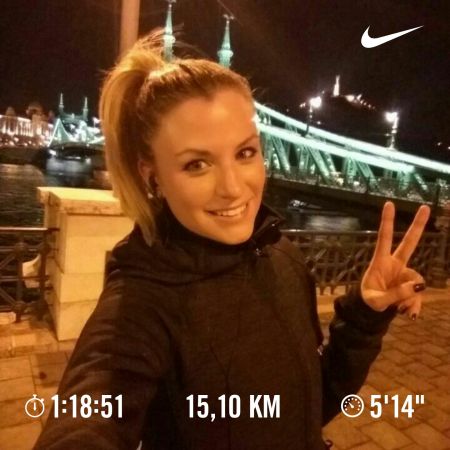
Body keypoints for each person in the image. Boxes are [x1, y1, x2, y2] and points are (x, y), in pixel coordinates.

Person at [34, 31, 430, 450]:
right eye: (196, 164)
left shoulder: (283, 257)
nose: (233, 188)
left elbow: (311, 406)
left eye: (245, 153)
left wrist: (365, 316)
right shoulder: (139, 306)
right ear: (153, 177)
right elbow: (89, 412)